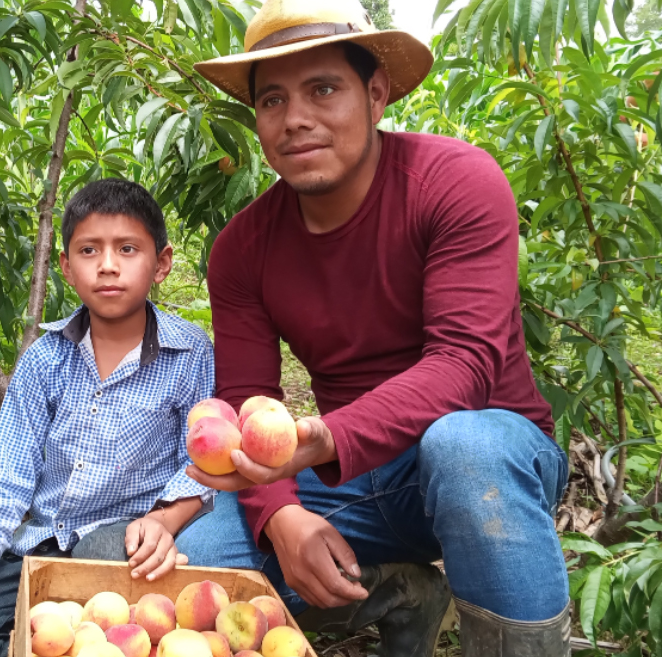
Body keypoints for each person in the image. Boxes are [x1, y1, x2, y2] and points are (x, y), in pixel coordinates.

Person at [175, 1, 571, 655]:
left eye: (323, 88)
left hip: (486, 455)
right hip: (356, 480)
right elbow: (250, 399)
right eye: (272, 100)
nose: (296, 118)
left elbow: (464, 367)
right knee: (205, 545)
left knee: (463, 446)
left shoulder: (454, 183)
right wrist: (283, 514)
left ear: (376, 94)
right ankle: (400, 592)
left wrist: (326, 437)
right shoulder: (244, 248)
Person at [0, 179, 216, 657]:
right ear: (68, 268)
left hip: (124, 538)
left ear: (162, 263)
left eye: (128, 249)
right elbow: (9, 480)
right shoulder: (44, 360)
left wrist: (166, 520)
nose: (108, 265)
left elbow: (200, 464)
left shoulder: (190, 354)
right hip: (38, 540)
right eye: (90, 250)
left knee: (92, 630)